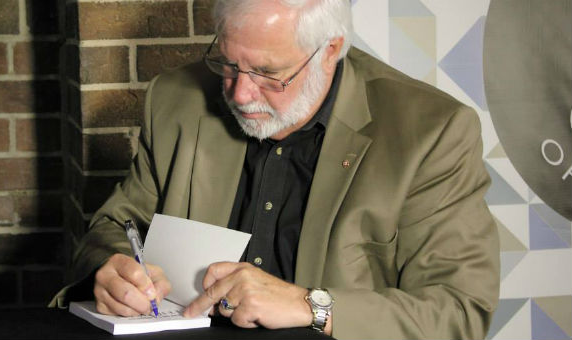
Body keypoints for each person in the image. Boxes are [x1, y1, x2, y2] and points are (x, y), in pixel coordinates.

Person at [51, 0, 500, 338]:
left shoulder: (432, 132)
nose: (241, 94)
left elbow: (458, 310)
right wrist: (113, 269)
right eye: (228, 64)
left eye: (269, 73)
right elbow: (114, 226)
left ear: (331, 50)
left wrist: (312, 305)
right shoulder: (175, 101)